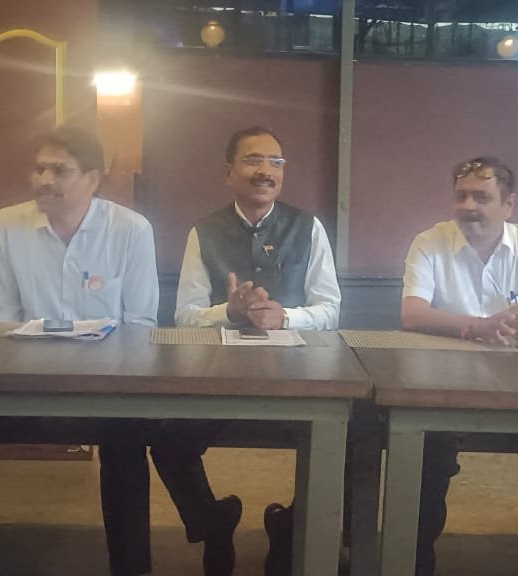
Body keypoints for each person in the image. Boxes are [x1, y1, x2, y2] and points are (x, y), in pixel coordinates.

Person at [0, 128, 161, 576]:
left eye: (59, 170)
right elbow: (0, 318)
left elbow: (141, 324)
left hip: (107, 382)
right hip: (27, 379)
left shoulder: (130, 230)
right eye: (39, 169)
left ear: (93, 179)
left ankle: (131, 568)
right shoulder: (7, 224)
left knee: (125, 441)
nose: (44, 179)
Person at [399, 156, 518, 576]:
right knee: (425, 455)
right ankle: (415, 565)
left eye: (482, 197)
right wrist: (476, 326)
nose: (469, 206)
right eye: (462, 196)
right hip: (444, 388)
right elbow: (412, 314)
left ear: (509, 205)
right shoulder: (429, 242)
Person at [174, 126, 342, 576]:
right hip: (217, 378)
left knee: (347, 439)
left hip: (297, 377)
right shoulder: (204, 231)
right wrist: (228, 312)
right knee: (166, 436)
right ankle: (213, 522)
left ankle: (291, 528)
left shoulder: (308, 228)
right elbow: (184, 316)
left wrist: (286, 317)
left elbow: (331, 309)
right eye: (253, 160)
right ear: (228, 173)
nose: (266, 171)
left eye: (276, 162)